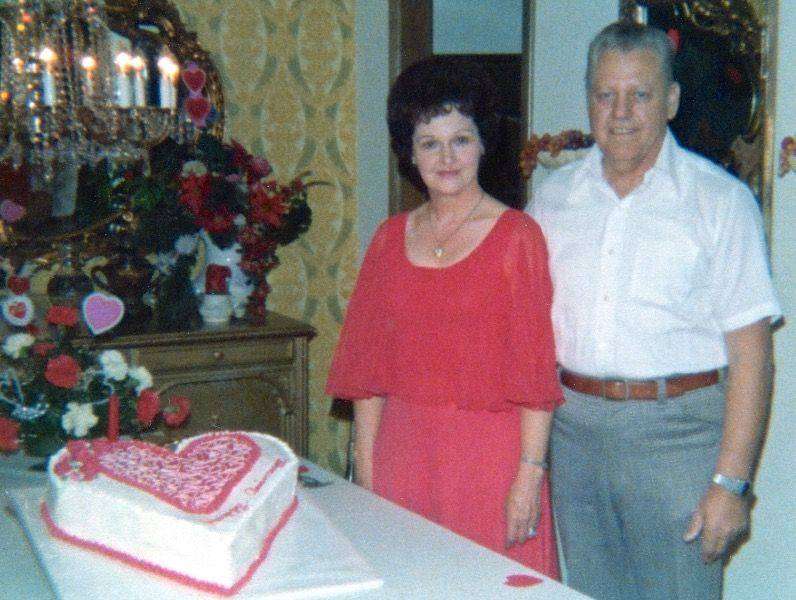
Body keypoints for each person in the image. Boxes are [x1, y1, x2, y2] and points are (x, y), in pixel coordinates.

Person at [530, 21, 781, 600]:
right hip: (574, 434)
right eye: (605, 95)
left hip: (679, 437)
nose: (620, 112)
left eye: (639, 94)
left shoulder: (719, 201)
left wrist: (731, 483)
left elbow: (752, 357)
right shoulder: (552, 201)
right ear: (589, 100)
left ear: (670, 101)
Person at [326, 56, 562, 577]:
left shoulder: (517, 237)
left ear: (483, 144)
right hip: (402, 457)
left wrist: (530, 474)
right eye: (430, 143)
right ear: (409, 153)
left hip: (489, 466)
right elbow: (366, 376)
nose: (447, 157)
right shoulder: (388, 239)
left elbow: (535, 375)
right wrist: (366, 473)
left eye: (461, 139)